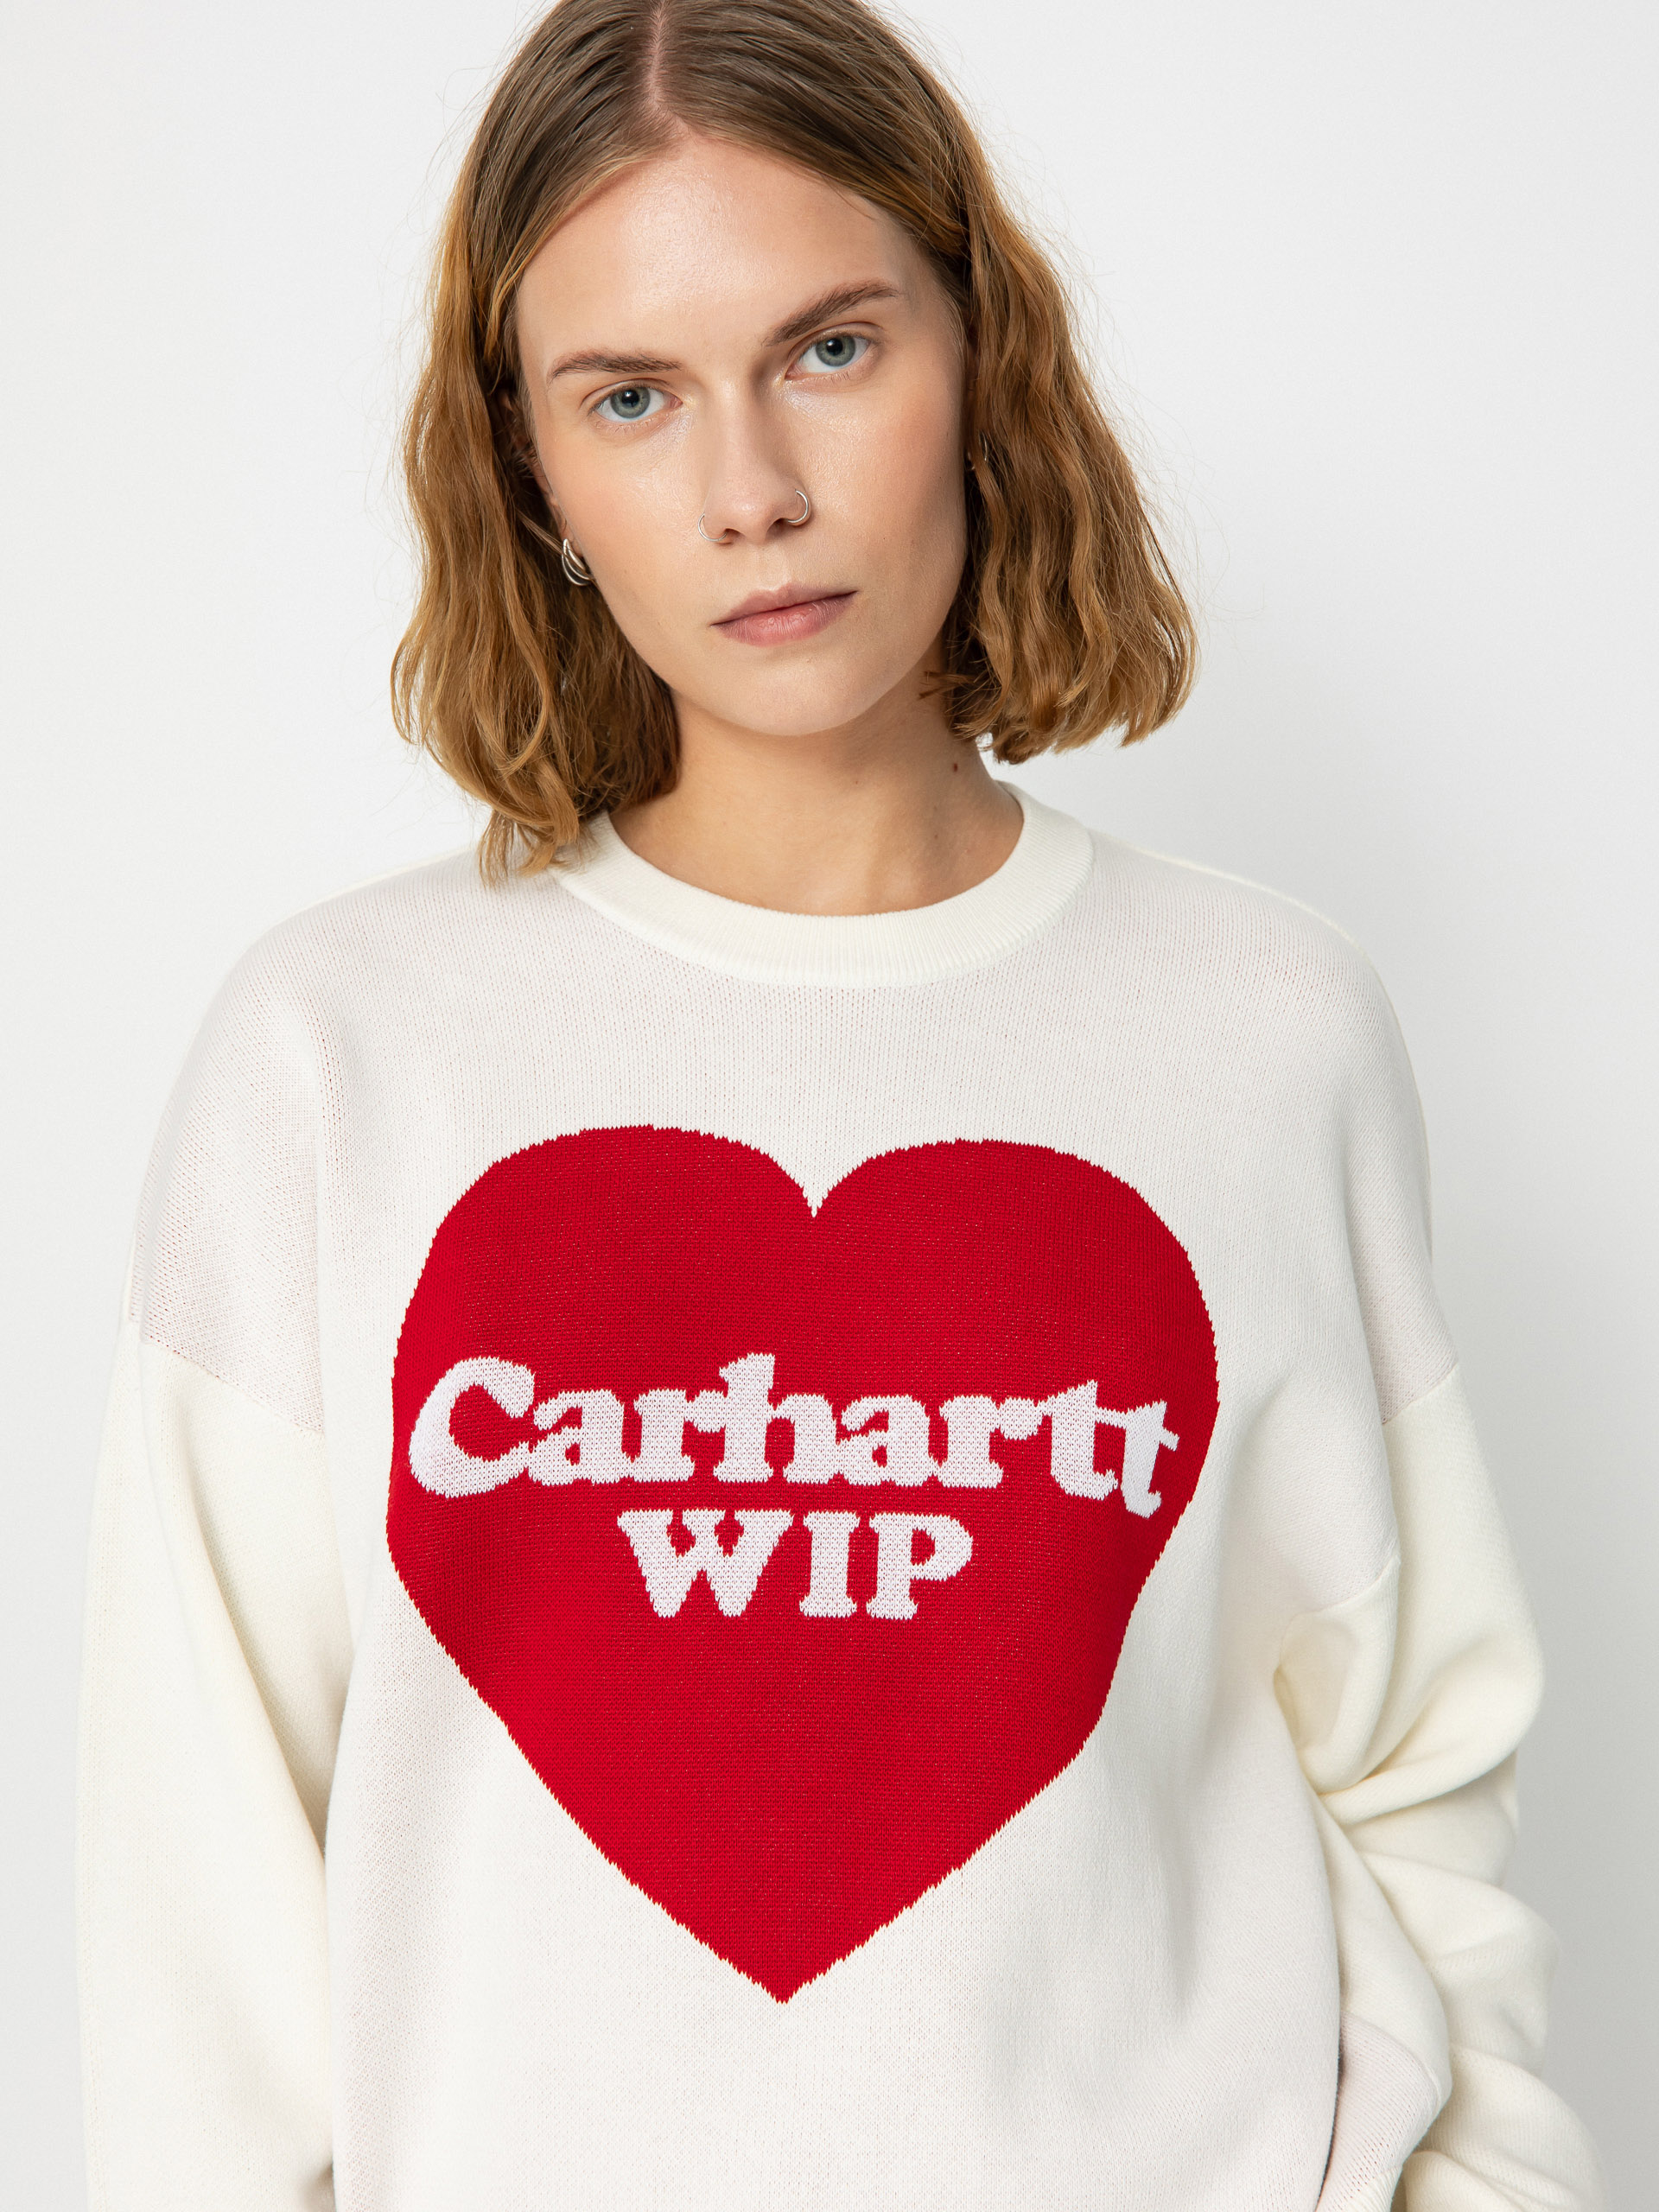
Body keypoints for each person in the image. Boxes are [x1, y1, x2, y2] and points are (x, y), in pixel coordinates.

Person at [75, 2, 1603, 2207]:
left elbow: (1419, 1781)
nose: (752, 492)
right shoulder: (341, 1051)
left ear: (981, 356)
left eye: (831, 349)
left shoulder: (1268, 1035)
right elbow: (201, 1920)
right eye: (630, 395)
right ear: (532, 475)